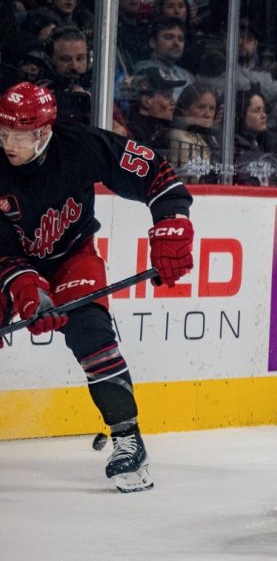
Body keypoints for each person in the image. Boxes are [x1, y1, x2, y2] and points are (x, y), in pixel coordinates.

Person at [0, 81, 194, 492]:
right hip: (9, 262)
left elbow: (155, 171)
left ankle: (128, 440)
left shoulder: (80, 146)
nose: (8, 143)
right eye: (3, 132)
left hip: (73, 255)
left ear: (44, 132)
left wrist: (172, 220)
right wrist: (25, 286)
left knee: (92, 336)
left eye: (19, 135)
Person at [166, 84, 220, 181]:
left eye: (212, 109)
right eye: (201, 107)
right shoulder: (178, 136)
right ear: (185, 110)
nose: (207, 114)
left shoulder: (210, 137)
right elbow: (192, 175)